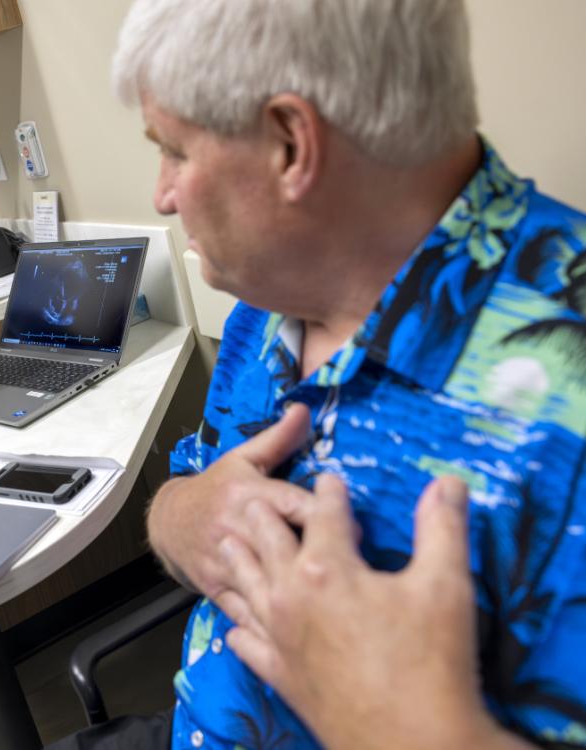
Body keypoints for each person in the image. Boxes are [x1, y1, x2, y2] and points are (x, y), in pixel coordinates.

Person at [52, 1, 586, 748]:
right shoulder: (272, 299)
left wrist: (416, 729)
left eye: (173, 150)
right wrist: (182, 516)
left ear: (289, 144)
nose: (162, 195)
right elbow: (188, 492)